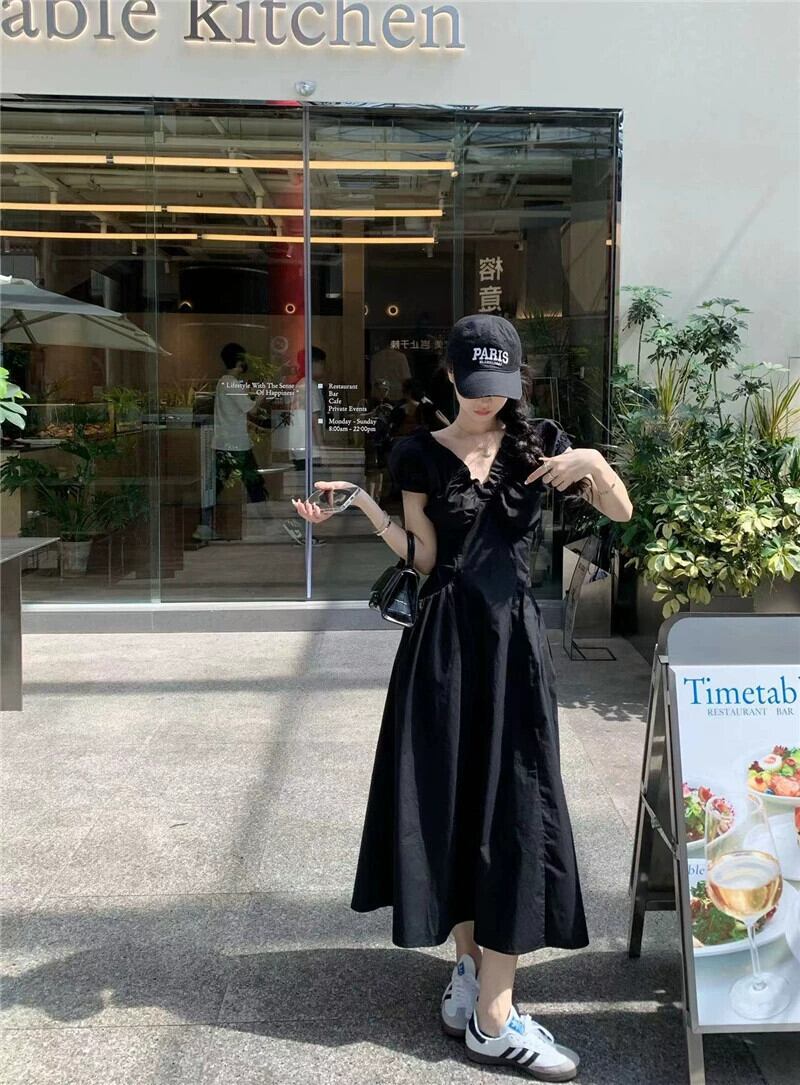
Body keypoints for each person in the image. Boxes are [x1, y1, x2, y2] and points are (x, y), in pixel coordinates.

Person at [291, 314, 633, 1080]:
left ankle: (492, 1015)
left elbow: (621, 511)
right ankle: (474, 974)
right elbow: (424, 557)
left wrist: (592, 462)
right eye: (475, 385)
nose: (488, 400)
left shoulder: (542, 443)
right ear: (450, 377)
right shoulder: (417, 452)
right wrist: (364, 505)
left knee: (514, 806)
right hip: (441, 648)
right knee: (453, 800)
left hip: (512, 648)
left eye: (500, 386)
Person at [193, 342, 271, 542]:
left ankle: (204, 525)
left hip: (224, 443)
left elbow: (234, 414)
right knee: (254, 483)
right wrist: (263, 393)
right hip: (237, 445)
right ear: (239, 361)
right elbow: (251, 409)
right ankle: (268, 524)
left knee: (217, 485)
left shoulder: (223, 383)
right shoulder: (231, 384)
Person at [282, 345, 327, 546]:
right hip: (309, 448)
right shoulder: (310, 386)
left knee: (307, 489)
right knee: (312, 492)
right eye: (322, 363)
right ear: (313, 363)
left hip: (299, 447)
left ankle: (301, 527)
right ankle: (300, 528)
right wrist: (323, 448)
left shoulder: (300, 385)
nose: (324, 368)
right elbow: (315, 420)